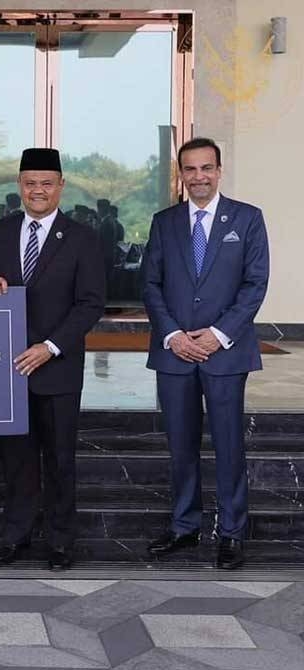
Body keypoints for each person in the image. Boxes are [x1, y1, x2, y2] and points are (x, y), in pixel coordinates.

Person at [0, 148, 105, 571]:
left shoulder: (82, 237)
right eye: (30, 183)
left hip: (58, 367)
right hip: (10, 367)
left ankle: (61, 543)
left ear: (61, 186)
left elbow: (90, 304)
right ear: (20, 186)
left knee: (61, 459)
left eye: (47, 183)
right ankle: (16, 537)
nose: (38, 191)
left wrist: (50, 346)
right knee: (16, 460)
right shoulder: (2, 230)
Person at [142, 137, 269, 570]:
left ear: (219, 170)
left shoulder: (248, 220)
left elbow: (255, 284)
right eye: (190, 169)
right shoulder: (164, 222)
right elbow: (151, 285)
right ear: (181, 174)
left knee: (229, 445)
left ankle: (232, 532)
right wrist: (173, 335)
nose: (199, 177)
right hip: (175, 353)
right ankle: (184, 526)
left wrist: (218, 334)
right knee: (180, 446)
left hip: (226, 354)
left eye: (206, 168)